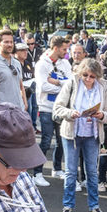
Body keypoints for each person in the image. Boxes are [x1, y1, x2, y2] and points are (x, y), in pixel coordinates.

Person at [54, 57, 107, 212]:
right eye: (85, 75)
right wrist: (70, 113)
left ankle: (94, 205)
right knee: (71, 172)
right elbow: (58, 107)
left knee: (92, 172)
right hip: (71, 134)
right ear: (80, 73)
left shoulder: (102, 88)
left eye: (92, 76)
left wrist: (102, 115)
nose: (88, 79)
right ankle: (68, 205)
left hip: (92, 135)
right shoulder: (72, 83)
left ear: (97, 77)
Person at [35, 36, 72, 181]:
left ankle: (57, 168)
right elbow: (43, 86)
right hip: (46, 107)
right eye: (64, 49)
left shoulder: (65, 63)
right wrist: (62, 85)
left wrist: (57, 82)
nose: (66, 52)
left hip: (61, 107)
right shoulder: (42, 64)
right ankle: (38, 172)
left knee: (61, 139)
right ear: (55, 48)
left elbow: (70, 84)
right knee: (46, 140)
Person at [0, 29, 27, 110]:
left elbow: (21, 86)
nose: (10, 44)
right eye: (6, 42)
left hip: (19, 111)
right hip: (5, 113)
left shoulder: (16, 63)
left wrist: (25, 104)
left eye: (11, 42)